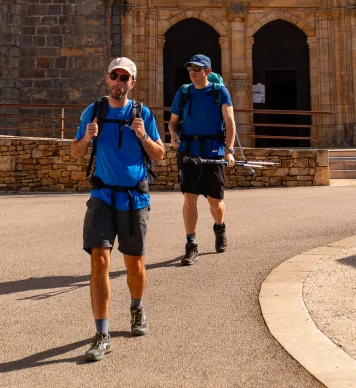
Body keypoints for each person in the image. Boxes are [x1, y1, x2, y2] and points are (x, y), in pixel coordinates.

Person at [71, 57, 165, 361]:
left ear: (133, 83)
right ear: (107, 78)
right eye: (115, 76)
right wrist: (87, 137)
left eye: (125, 78)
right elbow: (74, 151)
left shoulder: (143, 114)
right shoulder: (93, 112)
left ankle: (136, 308)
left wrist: (144, 136)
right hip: (101, 196)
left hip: (135, 199)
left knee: (135, 265)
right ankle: (102, 333)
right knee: (99, 261)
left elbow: (160, 155)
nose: (119, 82)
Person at [168, 53, 236, 265]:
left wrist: (229, 149)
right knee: (190, 197)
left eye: (197, 69)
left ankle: (219, 226)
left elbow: (230, 123)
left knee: (215, 202)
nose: (192, 72)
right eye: (190, 68)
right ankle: (191, 244)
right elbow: (172, 122)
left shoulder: (219, 92)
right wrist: (173, 134)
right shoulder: (184, 92)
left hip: (213, 151)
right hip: (188, 150)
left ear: (207, 71)